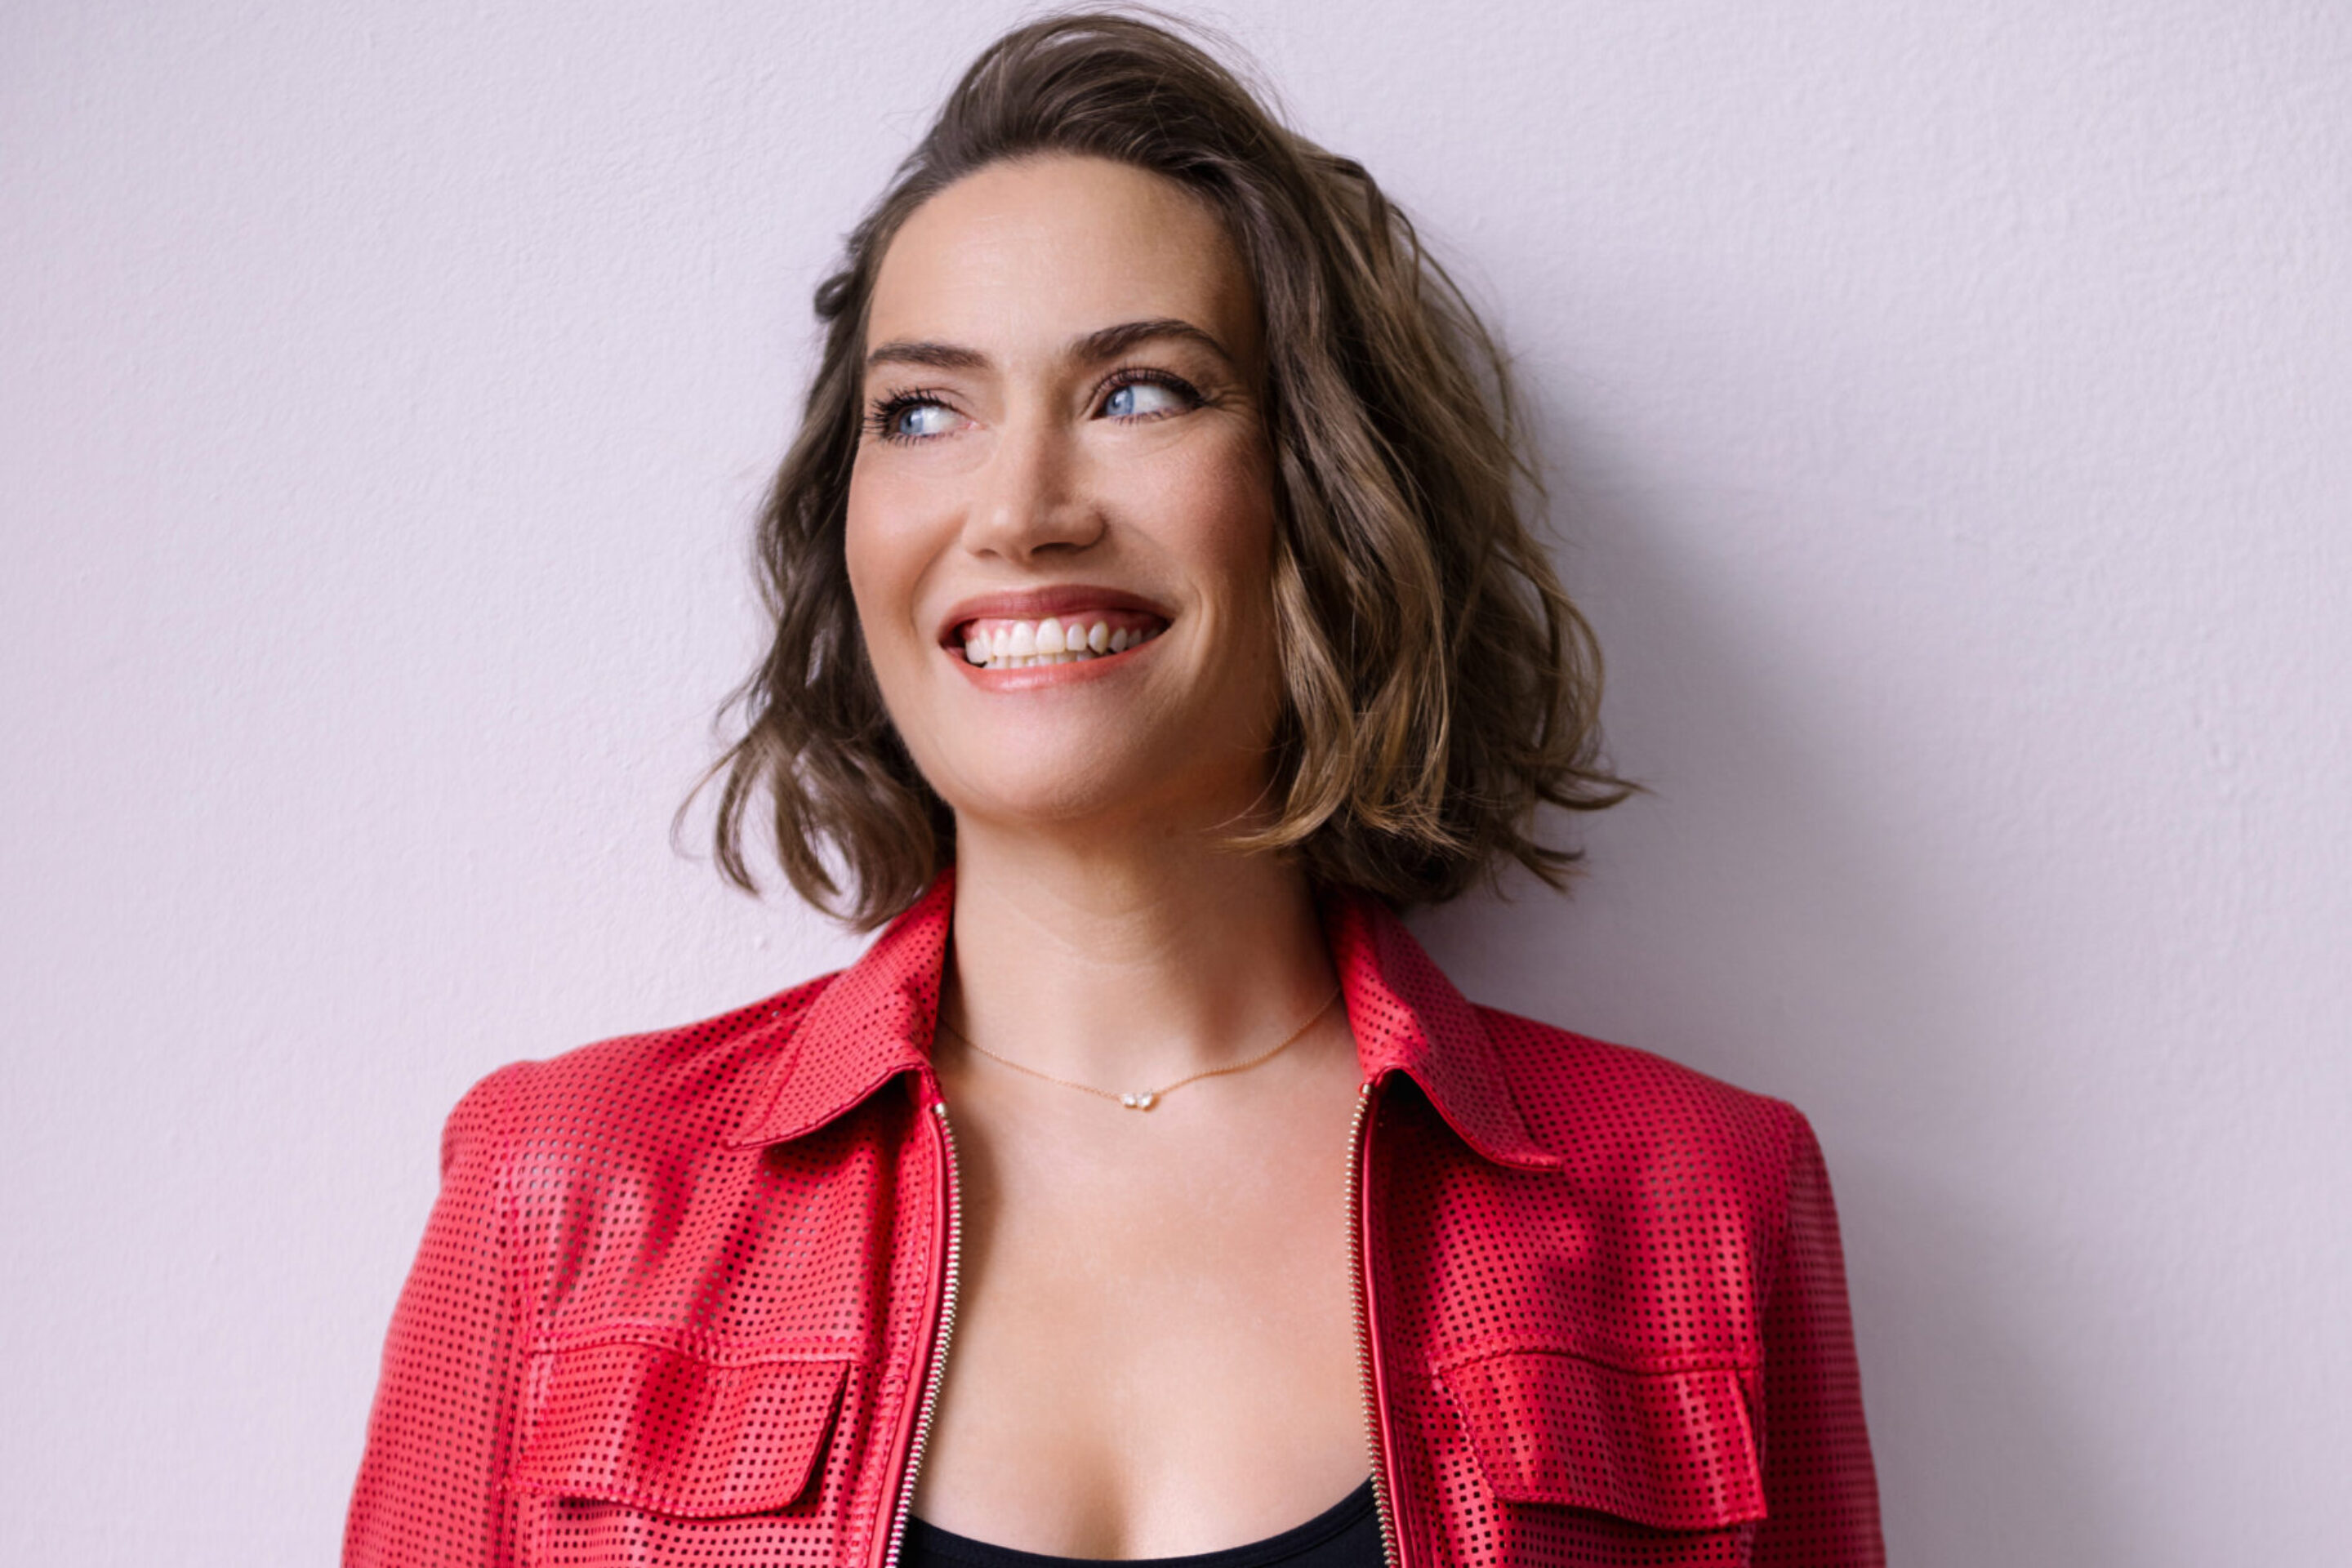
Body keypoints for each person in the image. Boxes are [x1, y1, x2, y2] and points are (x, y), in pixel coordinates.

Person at [343, 9, 1883, 1566]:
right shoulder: (566, 1188)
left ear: (1326, 491)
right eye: (924, 410)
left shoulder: (1699, 1202)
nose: (1018, 511)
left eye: (1140, 391)